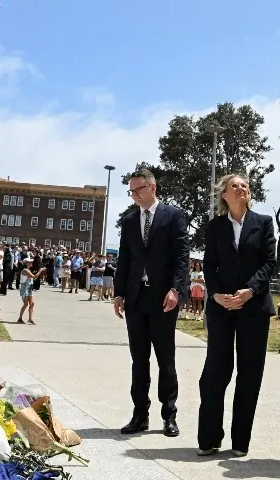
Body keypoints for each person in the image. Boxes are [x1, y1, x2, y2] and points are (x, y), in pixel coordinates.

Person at [196, 174, 277, 457]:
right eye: (235, 186)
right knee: (216, 371)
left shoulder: (264, 223)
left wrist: (250, 291)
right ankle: (209, 438)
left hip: (253, 307)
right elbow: (210, 264)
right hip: (222, 307)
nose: (241, 189)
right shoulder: (216, 227)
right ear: (224, 195)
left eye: (245, 186)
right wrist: (216, 294)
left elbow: (270, 263)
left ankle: (240, 441)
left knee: (250, 373)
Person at [113, 168, 190, 437]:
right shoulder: (130, 221)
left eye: (138, 189)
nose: (134, 195)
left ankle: (169, 415)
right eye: (131, 191)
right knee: (139, 360)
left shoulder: (174, 216)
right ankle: (139, 415)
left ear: (152, 187)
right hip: (136, 299)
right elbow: (124, 259)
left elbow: (182, 256)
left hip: (163, 300)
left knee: (165, 359)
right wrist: (119, 292)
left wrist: (175, 290)